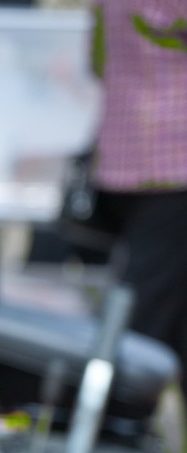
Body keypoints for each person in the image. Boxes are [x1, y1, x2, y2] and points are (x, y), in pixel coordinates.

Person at [89, 0, 187, 398]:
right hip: (173, 162)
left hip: (126, 159)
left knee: (154, 314)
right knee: (141, 322)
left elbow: (96, 61)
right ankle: (114, 419)